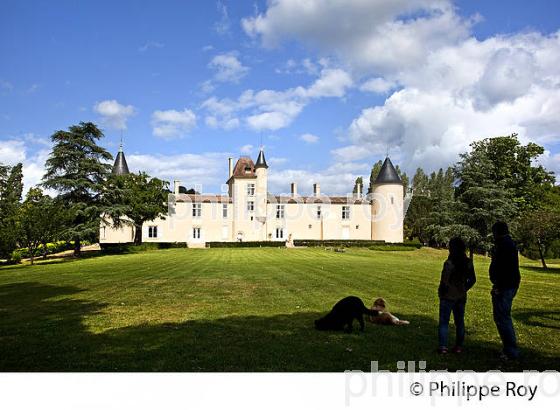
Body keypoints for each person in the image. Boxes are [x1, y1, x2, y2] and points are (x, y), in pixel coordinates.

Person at [437, 237, 477, 354]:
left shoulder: (449, 263)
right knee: (459, 322)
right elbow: (473, 279)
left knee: (444, 322)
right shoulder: (468, 263)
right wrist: (465, 288)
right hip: (461, 295)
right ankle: (459, 346)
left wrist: (442, 291)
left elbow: (445, 280)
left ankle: (443, 346)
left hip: (448, 295)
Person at [490, 221, 521, 359]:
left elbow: (505, 269)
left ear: (498, 232)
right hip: (507, 285)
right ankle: (508, 348)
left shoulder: (504, 245)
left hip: (505, 286)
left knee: (503, 318)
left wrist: (499, 287)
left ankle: (511, 351)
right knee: (502, 317)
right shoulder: (507, 244)